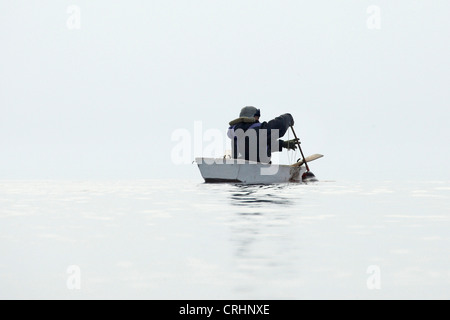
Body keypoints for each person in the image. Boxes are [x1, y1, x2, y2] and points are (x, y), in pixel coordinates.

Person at [227, 106, 299, 163]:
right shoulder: (259, 129)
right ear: (255, 117)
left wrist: (282, 144)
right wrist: (289, 117)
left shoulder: (234, 132)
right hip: (259, 170)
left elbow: (257, 145)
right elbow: (281, 124)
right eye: (258, 116)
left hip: (239, 168)